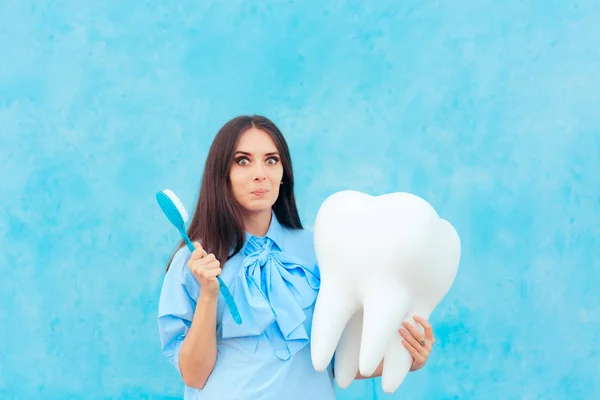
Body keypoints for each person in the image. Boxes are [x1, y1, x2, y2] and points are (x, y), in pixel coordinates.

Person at [157, 115, 436, 399]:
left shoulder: (320, 250)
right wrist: (208, 295)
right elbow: (194, 375)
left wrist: (405, 358)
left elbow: (337, 359)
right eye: (242, 160)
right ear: (221, 173)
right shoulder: (194, 262)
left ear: (283, 173)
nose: (260, 174)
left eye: (271, 160)